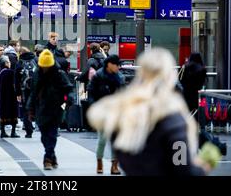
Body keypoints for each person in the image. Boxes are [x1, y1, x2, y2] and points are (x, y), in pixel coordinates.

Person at [87, 48, 210, 176]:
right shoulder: (174, 122)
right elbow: (182, 166)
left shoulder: (124, 119)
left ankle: (106, 164)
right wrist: (205, 165)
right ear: (168, 76)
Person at [27, 49, 74, 170]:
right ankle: (52, 156)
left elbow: (68, 89)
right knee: (44, 135)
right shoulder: (37, 73)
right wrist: (30, 108)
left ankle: (47, 158)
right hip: (41, 108)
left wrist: (67, 102)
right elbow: (33, 92)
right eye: (43, 66)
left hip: (56, 108)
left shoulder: (59, 73)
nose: (45, 69)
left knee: (52, 134)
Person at [87, 54, 124, 175]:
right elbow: (91, 92)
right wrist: (93, 106)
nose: (119, 67)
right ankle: (99, 162)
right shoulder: (98, 76)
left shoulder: (119, 77)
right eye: (117, 64)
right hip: (102, 111)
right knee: (102, 139)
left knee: (116, 140)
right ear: (109, 64)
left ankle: (114, 165)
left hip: (116, 111)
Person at [0, 55, 21, 138]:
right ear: (6, 63)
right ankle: (13, 132)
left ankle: (3, 131)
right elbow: (14, 85)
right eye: (9, 62)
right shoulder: (10, 72)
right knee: (13, 112)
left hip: (1, 97)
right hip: (10, 97)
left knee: (3, 113)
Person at [15, 46, 37, 138]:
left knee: (25, 109)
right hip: (35, 89)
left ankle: (29, 130)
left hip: (24, 90)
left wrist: (18, 93)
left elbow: (16, 78)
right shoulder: (35, 60)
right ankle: (38, 124)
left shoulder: (20, 62)